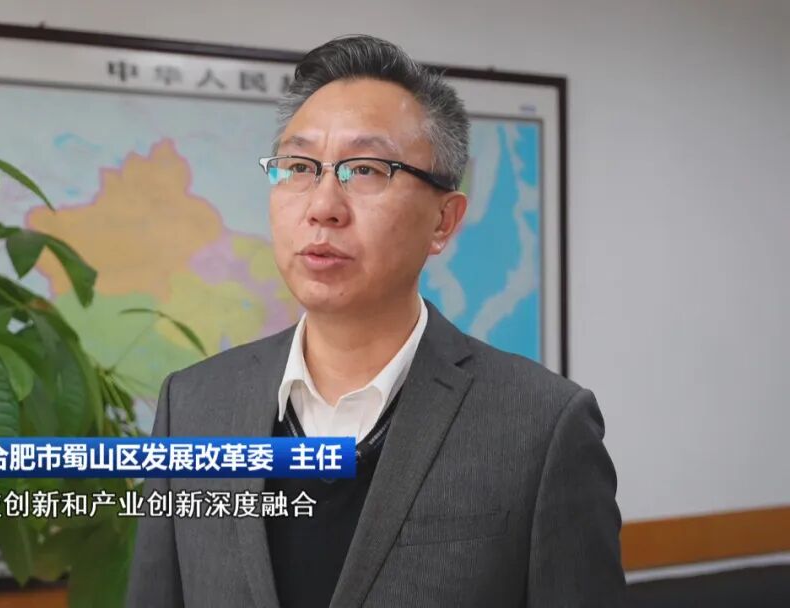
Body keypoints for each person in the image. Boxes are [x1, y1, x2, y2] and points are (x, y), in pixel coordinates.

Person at [127, 34, 624, 608]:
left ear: (443, 220)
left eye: (365, 169)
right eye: (299, 166)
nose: (322, 207)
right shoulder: (194, 407)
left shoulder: (541, 426)